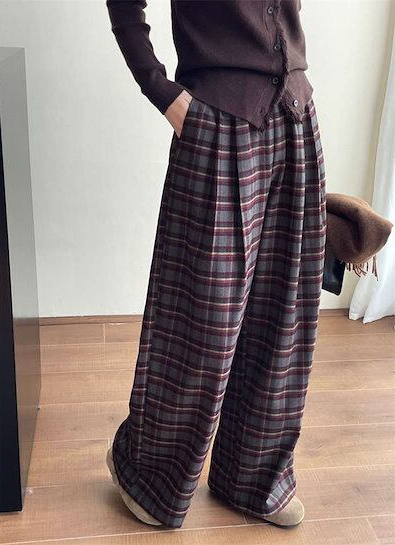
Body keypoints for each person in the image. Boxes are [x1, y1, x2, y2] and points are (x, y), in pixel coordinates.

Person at [105, 0, 327, 530]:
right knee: (200, 320)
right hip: (216, 118)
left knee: (283, 314)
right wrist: (164, 93)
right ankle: (152, 475)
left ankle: (254, 477)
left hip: (296, 114)